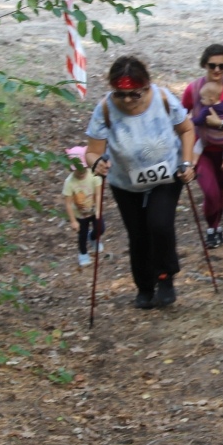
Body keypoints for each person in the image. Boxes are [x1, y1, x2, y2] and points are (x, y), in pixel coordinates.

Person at [85, 55, 196, 308]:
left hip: (167, 175)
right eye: (120, 94)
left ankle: (165, 277)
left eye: (135, 94)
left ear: (146, 87)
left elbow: (187, 130)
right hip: (125, 183)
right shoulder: (104, 109)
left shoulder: (164, 99)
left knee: (159, 224)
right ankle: (144, 287)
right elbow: (92, 150)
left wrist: (188, 163)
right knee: (138, 235)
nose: (127, 100)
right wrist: (96, 163)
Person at [181, 44, 223, 249]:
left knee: (221, 189)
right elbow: (181, 117)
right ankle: (211, 227)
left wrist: (222, 124)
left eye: (222, 65)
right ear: (204, 65)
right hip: (203, 150)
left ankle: (216, 227)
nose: (217, 70)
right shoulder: (194, 88)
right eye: (212, 65)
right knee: (211, 193)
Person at [61, 145, 106, 267]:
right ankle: (83, 253)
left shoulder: (93, 176)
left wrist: (98, 209)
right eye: (77, 169)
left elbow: (98, 194)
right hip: (80, 215)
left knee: (100, 228)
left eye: (83, 168)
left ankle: (93, 238)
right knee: (82, 234)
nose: (80, 172)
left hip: (93, 210)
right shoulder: (69, 182)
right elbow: (68, 203)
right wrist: (73, 221)